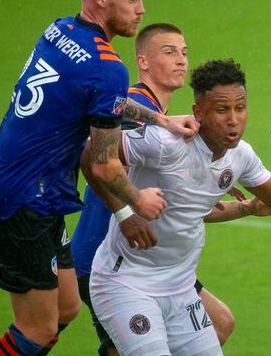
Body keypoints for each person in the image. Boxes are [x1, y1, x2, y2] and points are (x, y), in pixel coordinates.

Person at [0, 0, 196, 355]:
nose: (141, 9)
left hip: (17, 183)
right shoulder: (107, 67)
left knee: (67, 307)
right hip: (23, 200)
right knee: (36, 329)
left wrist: (159, 120)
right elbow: (104, 164)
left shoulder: (61, 30)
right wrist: (137, 200)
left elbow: (96, 99)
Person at [84, 59, 271, 356]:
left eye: (240, 108)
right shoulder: (166, 142)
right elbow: (92, 154)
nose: (233, 119)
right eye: (221, 109)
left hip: (180, 289)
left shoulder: (241, 157)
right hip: (126, 283)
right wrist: (125, 212)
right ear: (198, 112)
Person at [71, 23, 246, 355]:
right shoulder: (136, 106)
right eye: (169, 52)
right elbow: (94, 153)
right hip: (111, 258)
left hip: (154, 265)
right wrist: (126, 212)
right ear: (143, 62)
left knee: (219, 322)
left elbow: (174, 206)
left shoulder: (162, 117)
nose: (181, 60)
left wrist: (212, 187)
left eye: (184, 52)